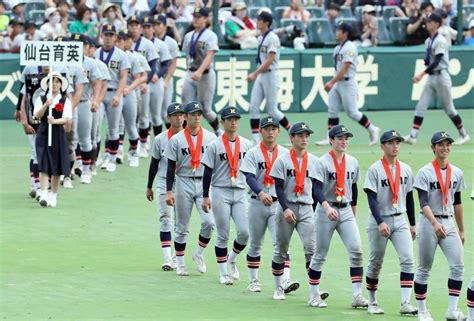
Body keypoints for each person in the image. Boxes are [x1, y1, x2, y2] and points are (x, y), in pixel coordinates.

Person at [309, 125, 368, 309]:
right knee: (320, 253)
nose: (344, 141)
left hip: (346, 209)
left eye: (346, 138)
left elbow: (355, 188)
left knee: (357, 251)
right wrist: (326, 207)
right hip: (326, 210)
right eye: (340, 138)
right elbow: (316, 189)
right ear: (331, 140)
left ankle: (357, 295)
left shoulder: (353, 161)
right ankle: (313, 295)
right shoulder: (322, 162)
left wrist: (354, 210)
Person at [240, 116, 299, 294]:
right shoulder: (253, 152)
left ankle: (285, 280)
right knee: (256, 243)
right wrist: (260, 192)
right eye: (267, 128)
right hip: (257, 202)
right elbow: (249, 177)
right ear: (261, 131)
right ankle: (253, 280)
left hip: (278, 204)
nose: (270, 131)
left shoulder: (285, 153)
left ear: (279, 132)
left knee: (281, 243)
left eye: (274, 128)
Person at [363, 130, 418, 315]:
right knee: (376, 262)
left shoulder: (406, 169)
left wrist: (412, 223)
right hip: (379, 220)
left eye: (398, 142)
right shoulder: (374, 169)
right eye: (391, 143)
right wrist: (379, 222)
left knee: (408, 259)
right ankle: (372, 302)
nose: (395, 146)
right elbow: (371, 198)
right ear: (382, 146)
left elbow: (410, 197)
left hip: (400, 219)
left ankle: (405, 303)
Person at [413, 131, 465, 321]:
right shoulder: (425, 172)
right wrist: (434, 223)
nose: (445, 148)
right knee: (425, 267)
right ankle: (422, 311)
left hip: (449, 221)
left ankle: (452, 311)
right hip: (428, 222)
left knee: (458, 266)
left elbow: (457, 202)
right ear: (432, 147)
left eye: (448, 144)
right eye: (440, 144)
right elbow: (423, 202)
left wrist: (461, 229)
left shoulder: (457, 172)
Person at [269, 121, 321, 302]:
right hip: (287, 207)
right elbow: (279, 188)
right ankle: (278, 287)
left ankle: (315, 293)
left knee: (312, 250)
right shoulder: (282, 160)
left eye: (307, 135)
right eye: (300, 135)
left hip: (306, 208)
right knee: (281, 250)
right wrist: (284, 209)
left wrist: (316, 210)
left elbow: (316, 188)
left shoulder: (314, 161)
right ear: (291, 138)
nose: (304, 139)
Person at [163, 101, 216, 274]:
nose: (197, 118)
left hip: (203, 183)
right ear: (186, 117)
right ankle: (180, 262)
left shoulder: (210, 138)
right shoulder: (176, 140)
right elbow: (170, 166)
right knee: (181, 226)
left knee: (209, 223)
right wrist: (169, 190)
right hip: (183, 180)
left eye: (199, 114)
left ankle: (198, 254)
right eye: (193, 115)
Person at [201, 106, 251, 285]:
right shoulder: (215, 145)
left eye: (236, 119)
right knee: (222, 234)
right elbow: (207, 171)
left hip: (240, 191)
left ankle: (232, 258)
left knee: (245, 232)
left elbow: (250, 170)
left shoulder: (246, 144)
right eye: (229, 119)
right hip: (220, 190)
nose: (234, 122)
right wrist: (205, 196)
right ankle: (223, 273)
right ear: (222, 122)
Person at [404, 13, 470, 145]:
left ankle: (464, 134)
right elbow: (429, 61)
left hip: (441, 76)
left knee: (449, 109)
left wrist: (421, 74)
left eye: (430, 21)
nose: (427, 23)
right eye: (427, 21)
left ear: (436, 24)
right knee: (421, 106)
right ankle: (413, 135)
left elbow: (437, 61)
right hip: (432, 77)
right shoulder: (428, 41)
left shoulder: (441, 40)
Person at [315, 23, 380, 146]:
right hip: (338, 83)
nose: (336, 32)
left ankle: (372, 129)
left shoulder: (349, 47)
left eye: (339, 30)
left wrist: (331, 82)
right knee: (332, 111)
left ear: (345, 33)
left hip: (347, 82)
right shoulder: (337, 48)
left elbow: (345, 68)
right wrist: (333, 82)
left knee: (352, 112)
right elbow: (338, 68)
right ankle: (330, 138)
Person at [146, 102, 185, 272]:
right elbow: (154, 163)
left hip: (183, 181)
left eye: (181, 115)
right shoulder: (160, 139)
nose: (178, 118)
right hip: (163, 181)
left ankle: (178, 256)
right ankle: (167, 257)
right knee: (165, 218)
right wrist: (149, 186)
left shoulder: (189, 138)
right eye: (175, 115)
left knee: (181, 221)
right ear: (168, 118)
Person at [246, 11, 291, 145]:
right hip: (262, 74)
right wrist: (257, 73)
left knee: (272, 109)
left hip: (271, 74)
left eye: (260, 20)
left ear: (266, 22)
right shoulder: (261, 37)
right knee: (253, 106)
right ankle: (255, 139)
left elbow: (270, 59)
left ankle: (291, 131)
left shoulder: (272, 37)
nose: (257, 22)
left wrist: (255, 73)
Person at [32, 72, 72, 207]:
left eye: (57, 81)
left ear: (61, 84)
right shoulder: (41, 99)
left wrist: (54, 121)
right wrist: (45, 106)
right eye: (51, 81)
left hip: (57, 133)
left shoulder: (65, 100)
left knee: (56, 166)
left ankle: (53, 195)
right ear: (47, 84)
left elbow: (67, 119)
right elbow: (35, 117)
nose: (54, 84)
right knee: (43, 163)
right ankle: (43, 193)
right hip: (43, 132)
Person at [94, 24, 130, 172]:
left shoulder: (121, 55)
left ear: (115, 37)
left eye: (111, 35)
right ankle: (96, 158)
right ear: (102, 36)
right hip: (99, 94)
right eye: (106, 34)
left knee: (113, 128)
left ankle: (112, 159)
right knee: (95, 128)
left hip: (114, 92)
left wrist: (118, 94)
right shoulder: (96, 53)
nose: (108, 38)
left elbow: (123, 77)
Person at [182, 8, 221, 135]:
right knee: (186, 106)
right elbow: (187, 54)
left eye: (199, 17)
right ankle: (185, 135)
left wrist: (199, 71)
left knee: (205, 110)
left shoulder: (210, 35)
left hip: (205, 74)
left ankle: (217, 130)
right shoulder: (188, 35)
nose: (195, 19)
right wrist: (191, 69)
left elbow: (210, 55)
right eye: (194, 16)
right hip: (191, 72)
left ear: (205, 19)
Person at [70, 33, 103, 184]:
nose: (78, 48)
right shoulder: (65, 62)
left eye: (81, 45)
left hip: (84, 102)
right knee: (70, 140)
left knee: (85, 138)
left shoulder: (91, 63)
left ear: (87, 47)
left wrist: (95, 100)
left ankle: (86, 170)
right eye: (74, 44)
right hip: (66, 104)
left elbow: (97, 84)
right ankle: (69, 169)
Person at [127, 15, 159, 157]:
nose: (133, 28)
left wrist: (146, 81)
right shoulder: (124, 42)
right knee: (131, 117)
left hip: (143, 83)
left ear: (140, 28)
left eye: (136, 25)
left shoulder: (147, 44)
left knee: (144, 115)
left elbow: (153, 65)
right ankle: (134, 144)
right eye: (131, 25)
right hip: (129, 84)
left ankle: (144, 144)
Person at [115, 29, 146, 168]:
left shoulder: (134, 57)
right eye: (119, 39)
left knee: (131, 125)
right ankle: (117, 152)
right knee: (116, 125)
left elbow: (139, 78)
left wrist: (129, 88)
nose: (121, 42)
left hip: (130, 92)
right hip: (116, 93)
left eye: (124, 39)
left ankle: (134, 152)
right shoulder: (112, 56)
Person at [142, 15, 172, 136]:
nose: (146, 29)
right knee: (142, 115)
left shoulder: (161, 44)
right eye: (144, 27)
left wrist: (158, 75)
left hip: (155, 82)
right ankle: (144, 143)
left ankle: (158, 141)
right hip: (142, 82)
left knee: (156, 115)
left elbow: (166, 64)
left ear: (153, 29)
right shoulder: (136, 44)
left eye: (149, 26)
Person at [152, 14, 181, 130]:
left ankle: (173, 135)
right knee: (149, 114)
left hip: (164, 78)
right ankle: (147, 141)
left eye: (158, 24)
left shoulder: (171, 42)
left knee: (165, 113)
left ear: (165, 26)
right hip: (150, 80)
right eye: (154, 24)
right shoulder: (149, 41)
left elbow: (173, 63)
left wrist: (167, 80)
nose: (155, 27)